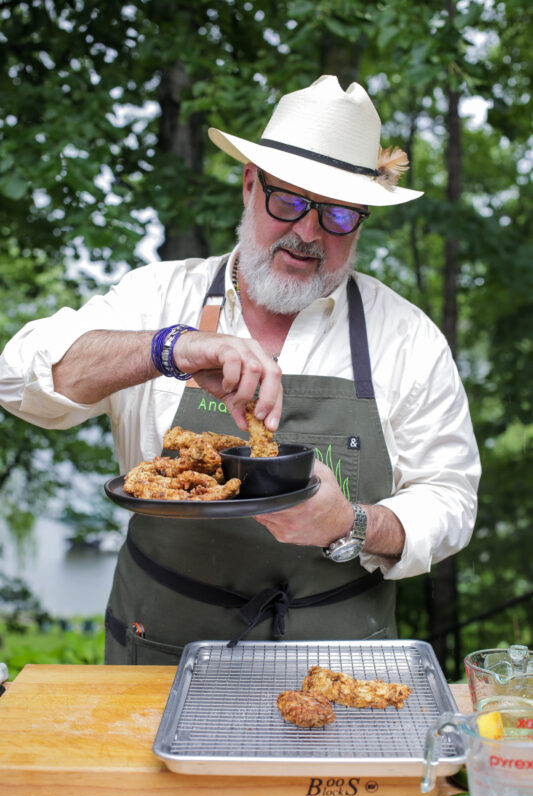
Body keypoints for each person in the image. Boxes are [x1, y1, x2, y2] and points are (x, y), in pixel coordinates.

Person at [0, 75, 480, 664]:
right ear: (250, 185)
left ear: (361, 223)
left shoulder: (405, 336)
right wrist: (169, 349)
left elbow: (451, 500)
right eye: (290, 201)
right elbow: (18, 380)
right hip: (160, 655)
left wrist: (353, 524)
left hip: (341, 662)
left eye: (338, 216)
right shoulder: (155, 296)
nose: (308, 233)